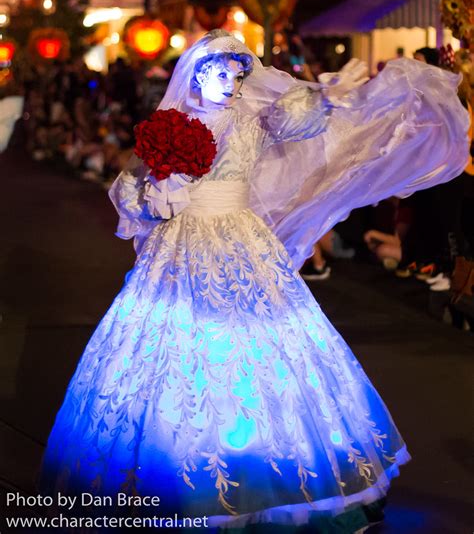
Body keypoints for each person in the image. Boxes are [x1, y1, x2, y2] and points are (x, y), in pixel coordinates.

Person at [40, 30, 469, 532]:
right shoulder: (167, 125)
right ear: (197, 75)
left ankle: (271, 479)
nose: (230, 82)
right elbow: (133, 191)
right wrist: (159, 193)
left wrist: (324, 98)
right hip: (179, 246)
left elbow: (295, 119)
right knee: (175, 352)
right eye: (220, 73)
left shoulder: (252, 119)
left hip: (241, 239)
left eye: (238, 74)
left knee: (260, 347)